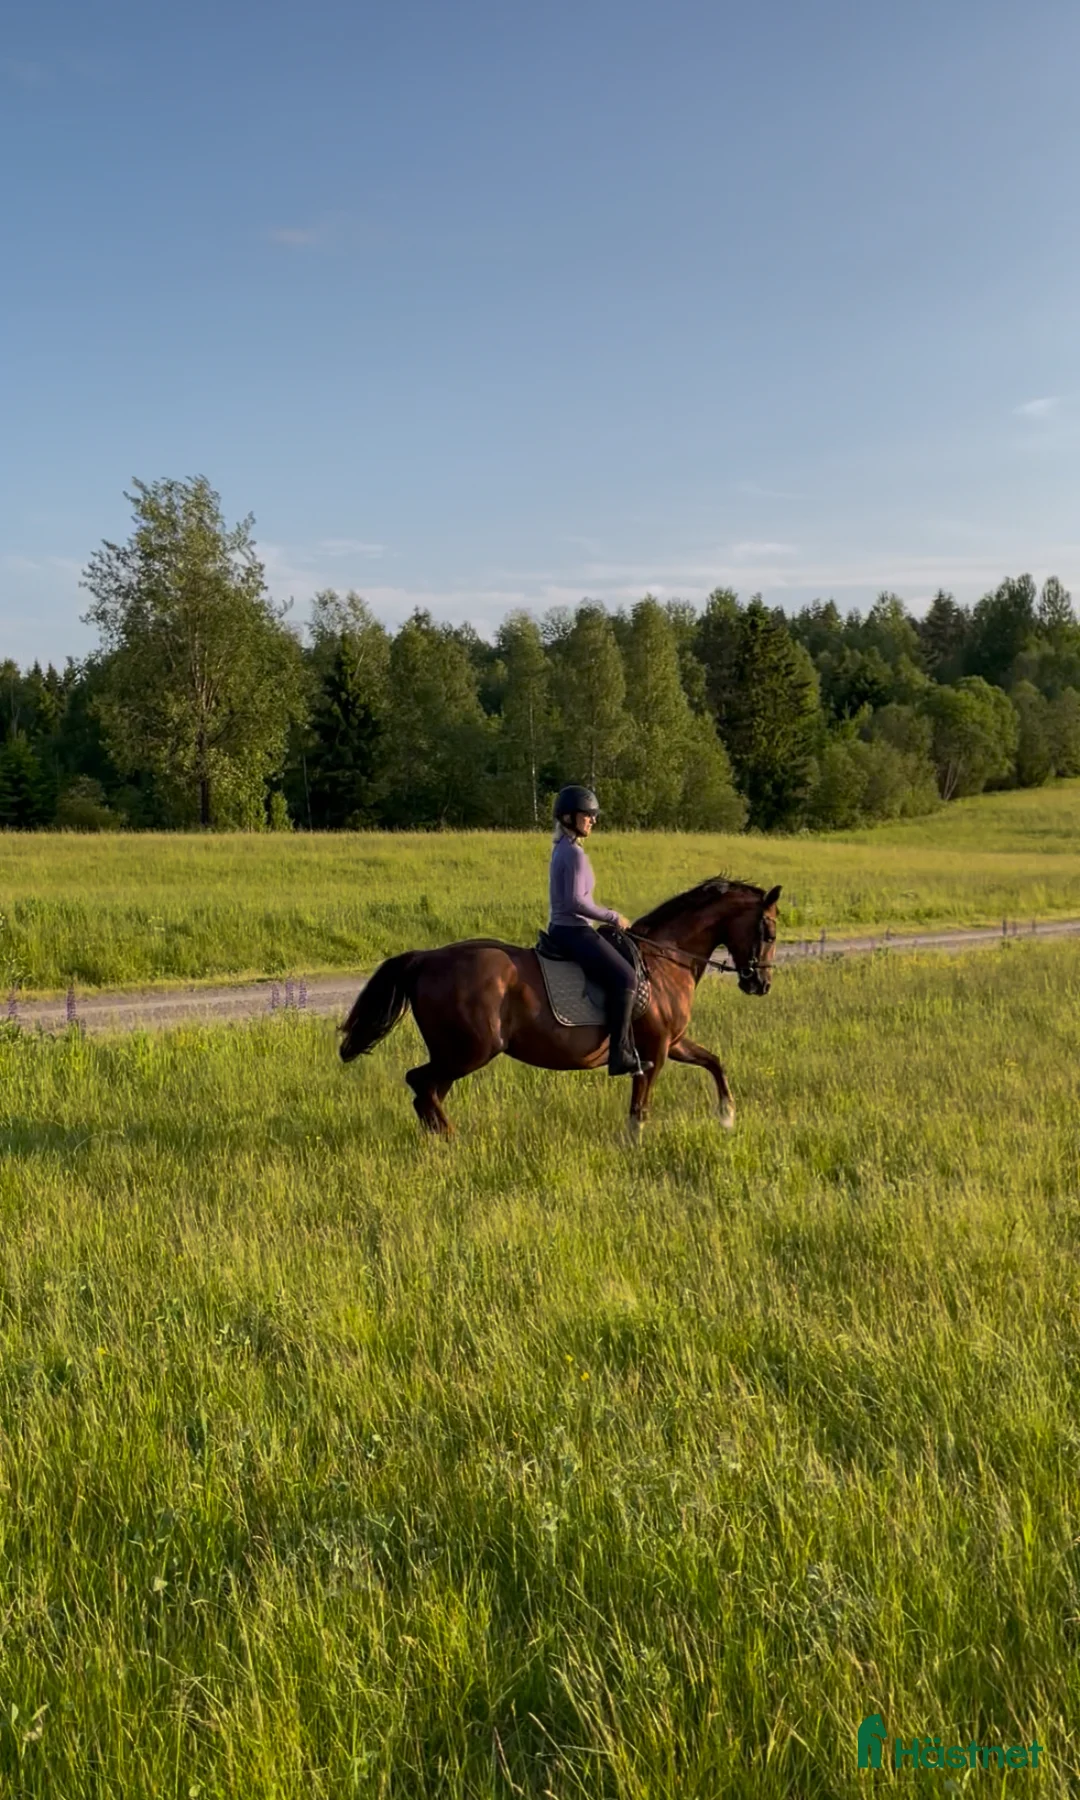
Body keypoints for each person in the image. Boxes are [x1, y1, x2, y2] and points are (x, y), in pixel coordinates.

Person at [546, 783, 653, 1078]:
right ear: (569, 817)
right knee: (626, 977)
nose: (593, 820)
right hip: (573, 930)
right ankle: (620, 1054)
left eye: (594, 815)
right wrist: (612, 916)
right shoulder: (573, 854)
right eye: (588, 815)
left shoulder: (564, 848)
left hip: (562, 928)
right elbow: (575, 902)